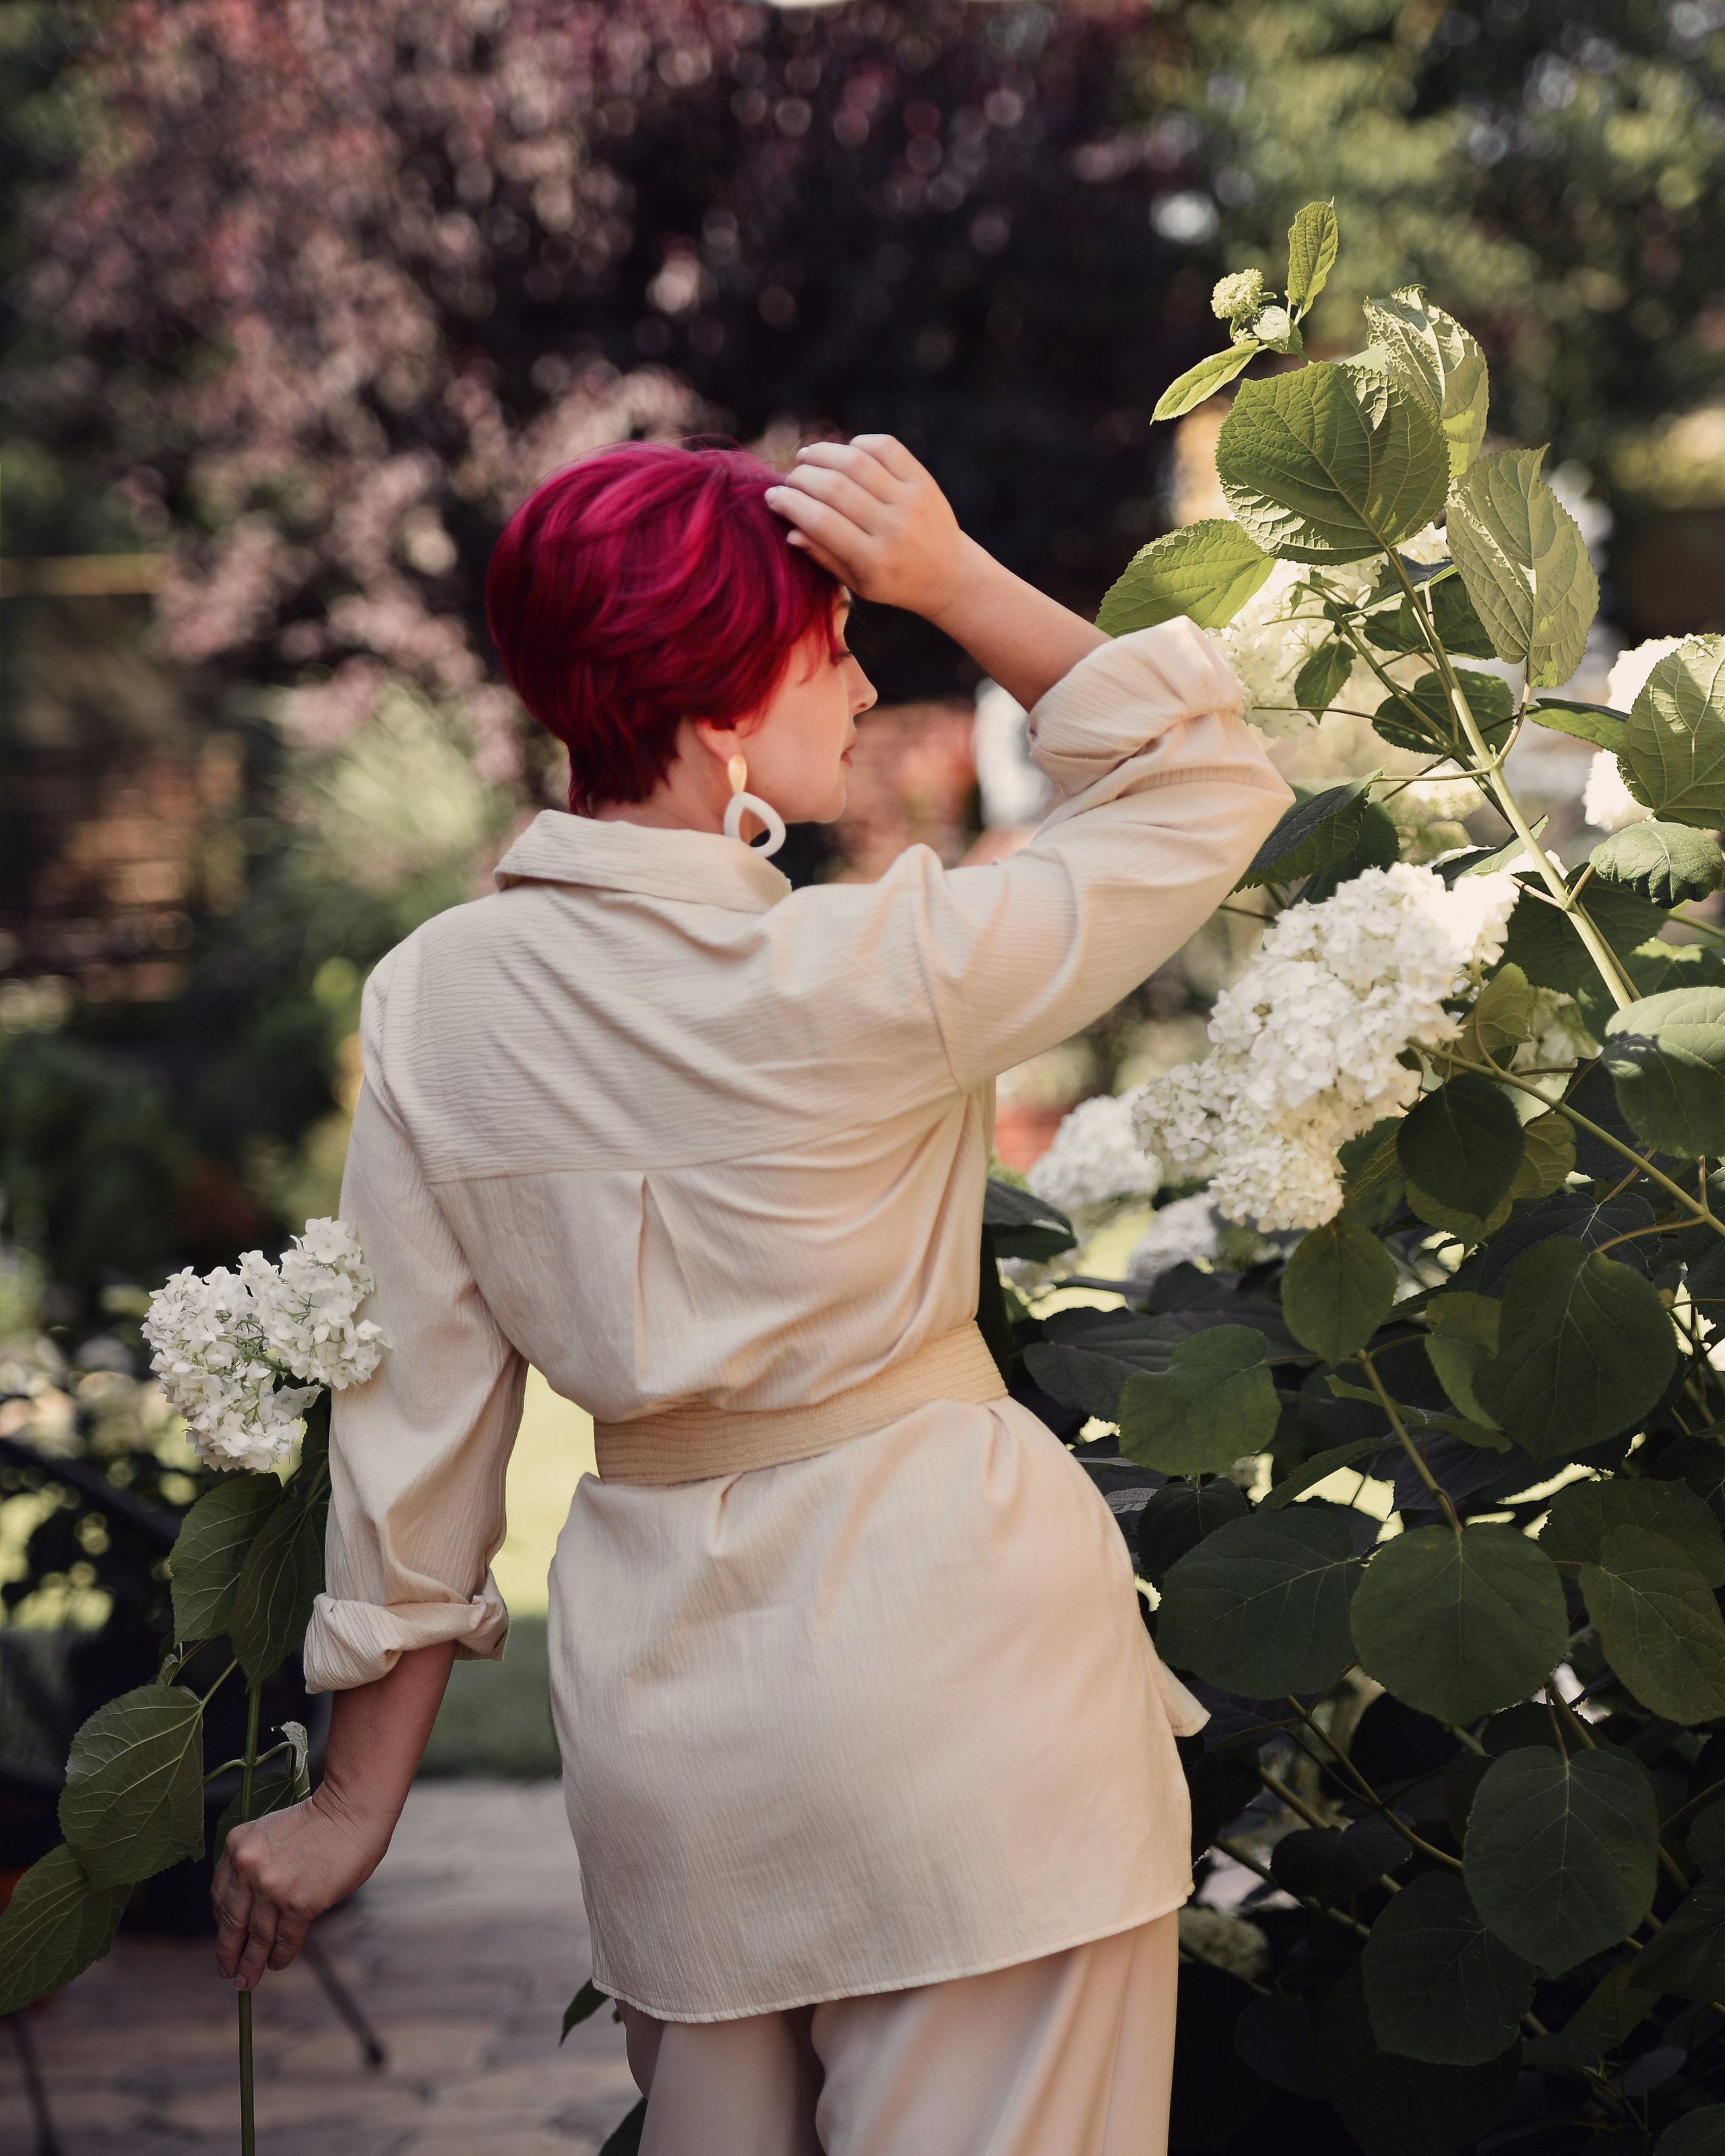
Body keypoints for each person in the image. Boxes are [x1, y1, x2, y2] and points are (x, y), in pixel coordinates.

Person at [211, 433, 1292, 2154]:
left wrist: (351, 1804)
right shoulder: (875, 966)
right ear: (726, 714)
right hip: (967, 1713)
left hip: (679, 1763)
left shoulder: (436, 1002)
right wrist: (951, 575)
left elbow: (410, 1428)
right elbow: (1200, 776)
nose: (865, 683)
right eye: (832, 645)